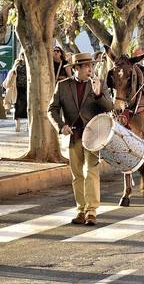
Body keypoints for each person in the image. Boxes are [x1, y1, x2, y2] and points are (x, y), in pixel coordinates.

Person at [47, 53, 113, 226]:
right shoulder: (62, 86)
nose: (90, 69)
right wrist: (61, 126)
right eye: (86, 66)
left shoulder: (99, 84)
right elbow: (52, 109)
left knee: (91, 172)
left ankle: (91, 211)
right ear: (76, 68)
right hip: (74, 136)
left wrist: (99, 93)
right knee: (77, 175)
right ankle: (81, 210)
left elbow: (109, 107)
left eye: (91, 65)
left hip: (93, 137)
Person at [12, 53, 28, 132]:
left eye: (24, 55)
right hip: (18, 88)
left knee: (28, 107)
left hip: (28, 89)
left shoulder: (30, 64)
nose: (23, 57)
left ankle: (28, 126)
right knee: (17, 107)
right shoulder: (17, 64)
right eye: (22, 55)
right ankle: (17, 126)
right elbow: (12, 73)